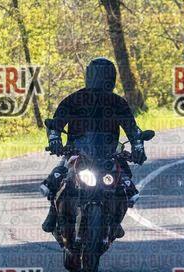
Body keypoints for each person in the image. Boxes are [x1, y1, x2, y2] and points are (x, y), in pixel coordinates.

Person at [40, 57, 148, 235]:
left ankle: (114, 218)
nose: (102, 79)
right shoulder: (75, 99)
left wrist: (138, 147)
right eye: (100, 75)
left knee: (125, 181)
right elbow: (56, 123)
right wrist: (55, 140)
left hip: (109, 153)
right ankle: (53, 211)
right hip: (77, 150)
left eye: (105, 75)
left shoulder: (118, 103)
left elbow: (132, 129)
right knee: (59, 175)